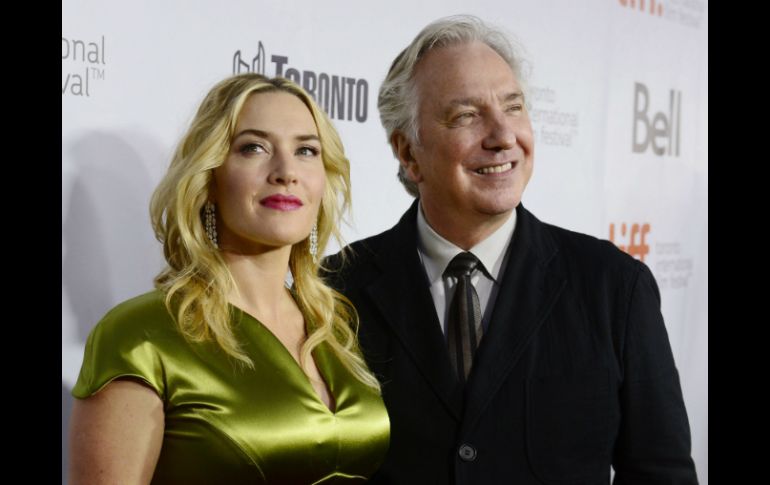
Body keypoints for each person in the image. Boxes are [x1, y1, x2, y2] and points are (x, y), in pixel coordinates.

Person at [324, 15, 698, 484]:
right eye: (466, 115)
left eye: (513, 107)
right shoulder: (335, 291)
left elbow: (661, 473)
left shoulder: (613, 287)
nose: (503, 136)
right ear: (408, 153)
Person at [68, 73, 389, 484]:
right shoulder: (142, 338)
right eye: (253, 148)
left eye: (306, 150)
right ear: (210, 177)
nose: (286, 171)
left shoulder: (335, 328)